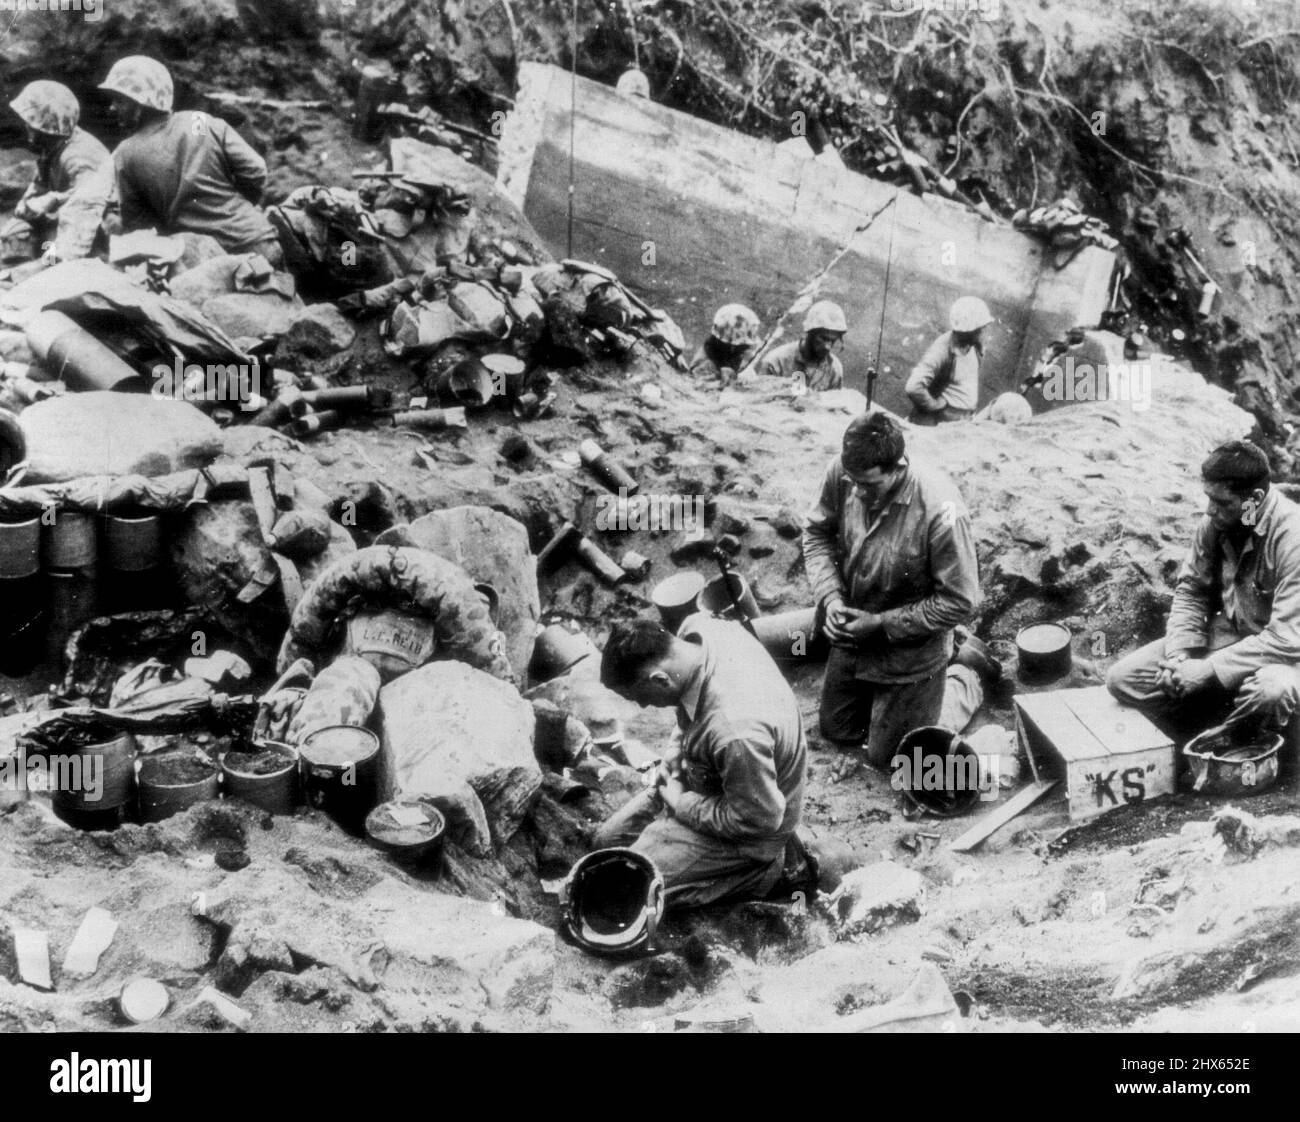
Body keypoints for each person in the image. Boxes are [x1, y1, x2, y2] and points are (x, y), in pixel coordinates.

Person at [802, 411, 982, 781]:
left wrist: (882, 624)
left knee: (894, 758)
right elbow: (816, 535)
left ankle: (967, 678)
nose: (855, 492)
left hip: (912, 650)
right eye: (851, 482)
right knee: (837, 730)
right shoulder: (845, 471)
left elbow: (961, 600)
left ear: (898, 467)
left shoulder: (941, 512)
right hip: (855, 634)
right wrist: (831, 599)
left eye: (868, 485)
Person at [592, 614, 808, 909]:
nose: (642, 705)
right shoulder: (697, 631)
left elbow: (761, 820)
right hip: (712, 781)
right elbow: (688, 715)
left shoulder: (735, 731)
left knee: (632, 890)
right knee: (605, 844)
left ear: (659, 679)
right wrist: (673, 759)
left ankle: (770, 871)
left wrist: (682, 804)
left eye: (639, 697)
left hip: (754, 832)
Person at [1107, 441, 1300, 755]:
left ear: (1255, 500)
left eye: (1221, 502)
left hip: (1287, 654)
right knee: (1123, 680)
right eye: (1209, 499)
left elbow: (1286, 639)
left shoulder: (1293, 536)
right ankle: (1233, 718)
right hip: (1231, 637)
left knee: (1272, 691)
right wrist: (1180, 656)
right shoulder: (1218, 522)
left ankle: (1231, 742)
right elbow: (1192, 591)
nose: (1210, 510)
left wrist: (1207, 670)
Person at [98, 55, 283, 263]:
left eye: (120, 100)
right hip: (255, 241)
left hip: (201, 260)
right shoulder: (199, 120)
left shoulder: (126, 153)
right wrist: (234, 207)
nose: (112, 108)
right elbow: (256, 171)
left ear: (140, 103)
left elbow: (139, 225)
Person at [1, 81, 112, 274]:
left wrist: (52, 200)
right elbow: (39, 187)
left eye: (31, 120)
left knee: (49, 250)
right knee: (15, 231)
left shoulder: (80, 157)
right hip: (57, 221)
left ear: (45, 125)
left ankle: (45, 271)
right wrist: (31, 205)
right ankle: (24, 268)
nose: (26, 125)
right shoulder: (55, 147)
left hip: (88, 233)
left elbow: (87, 207)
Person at [905, 295, 992, 424]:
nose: (983, 331)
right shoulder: (942, 350)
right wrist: (934, 406)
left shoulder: (975, 346)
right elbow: (913, 387)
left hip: (963, 420)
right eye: (980, 328)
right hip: (942, 421)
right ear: (969, 330)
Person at [751, 299, 845, 391]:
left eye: (832, 341)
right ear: (809, 332)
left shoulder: (834, 370)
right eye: (823, 339)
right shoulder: (775, 362)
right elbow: (759, 401)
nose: (827, 346)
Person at [689, 303, 761, 385]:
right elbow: (700, 388)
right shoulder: (705, 364)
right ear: (732, 346)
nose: (747, 349)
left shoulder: (731, 354)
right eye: (744, 346)